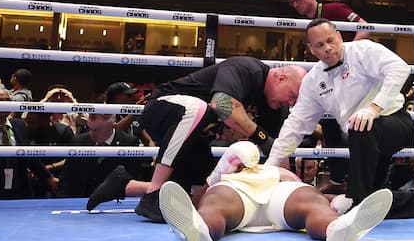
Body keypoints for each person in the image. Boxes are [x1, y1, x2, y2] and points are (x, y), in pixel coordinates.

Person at [86, 56, 306, 222]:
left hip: (193, 140)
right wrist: (261, 137)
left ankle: (123, 184)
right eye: (293, 95)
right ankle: (154, 191)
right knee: (198, 108)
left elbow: (277, 152)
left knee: (199, 195)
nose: (292, 103)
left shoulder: (275, 107)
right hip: (166, 108)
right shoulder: (247, 69)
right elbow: (221, 104)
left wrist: (287, 191)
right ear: (281, 77)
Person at [266, 18, 413, 208]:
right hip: (363, 142)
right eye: (320, 45)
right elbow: (296, 124)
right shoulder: (313, 81)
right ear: (312, 49)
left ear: (339, 37)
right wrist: (270, 166)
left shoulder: (362, 50)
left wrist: (374, 108)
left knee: (360, 126)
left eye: (330, 41)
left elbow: (399, 68)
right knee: (376, 202)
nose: (327, 48)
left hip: (394, 123)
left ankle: (355, 200)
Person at [157, 141, 394, 241]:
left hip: (279, 192)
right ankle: (199, 231)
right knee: (215, 202)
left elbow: (313, 194)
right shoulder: (223, 180)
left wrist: (333, 204)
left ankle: (337, 228)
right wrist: (220, 173)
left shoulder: (276, 171)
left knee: (311, 199)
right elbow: (204, 197)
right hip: (238, 195)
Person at [284, 0, 371, 190]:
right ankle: (338, 180)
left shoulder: (334, 9)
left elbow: (365, 26)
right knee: (330, 123)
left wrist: (346, 54)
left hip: (354, 77)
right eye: (292, 2)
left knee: (354, 127)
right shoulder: (312, 25)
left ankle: (356, 180)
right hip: (333, 79)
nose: (295, 5)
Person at [0, 88, 55, 199]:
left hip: (20, 191)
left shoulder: (19, 125)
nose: (6, 104)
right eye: (1, 101)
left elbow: (30, 155)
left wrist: (49, 177)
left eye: (8, 100)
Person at [58, 108, 147, 200]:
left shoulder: (128, 142)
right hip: (81, 199)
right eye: (90, 129)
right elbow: (66, 177)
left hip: (116, 201)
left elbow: (134, 177)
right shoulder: (78, 141)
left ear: (112, 126)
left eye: (97, 130)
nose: (92, 134)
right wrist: (63, 202)